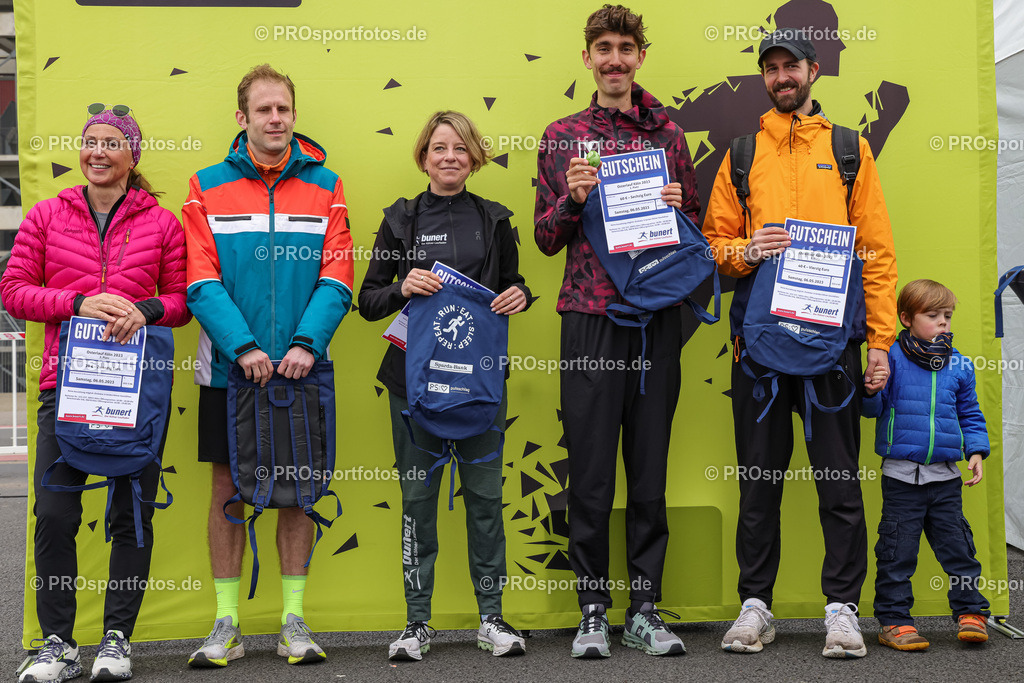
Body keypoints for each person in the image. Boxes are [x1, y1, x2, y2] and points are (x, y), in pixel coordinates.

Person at [703, 28, 897, 658]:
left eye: (792, 66)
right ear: (764, 77)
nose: (782, 76)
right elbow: (711, 246)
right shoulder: (739, 154)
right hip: (758, 350)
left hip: (832, 347)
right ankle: (755, 606)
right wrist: (744, 250)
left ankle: (841, 610)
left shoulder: (848, 150)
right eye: (772, 68)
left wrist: (877, 342)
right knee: (759, 483)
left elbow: (876, 252)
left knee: (839, 483)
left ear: (814, 71)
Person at [534, 4, 700, 658]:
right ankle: (594, 609)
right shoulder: (560, 135)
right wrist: (571, 200)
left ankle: (647, 608)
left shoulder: (671, 137)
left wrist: (677, 210)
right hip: (590, 320)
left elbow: (697, 242)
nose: (613, 59)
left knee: (651, 473)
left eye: (624, 48)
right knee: (593, 475)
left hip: (656, 321)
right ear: (587, 59)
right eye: (602, 47)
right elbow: (547, 240)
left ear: (639, 57)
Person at [2, 104, 190, 683]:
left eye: (113, 143)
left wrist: (148, 309)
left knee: (131, 517)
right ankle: (57, 643)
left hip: (135, 394)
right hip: (65, 388)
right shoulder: (45, 216)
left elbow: (184, 300)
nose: (99, 153)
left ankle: (116, 639)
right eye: (91, 142)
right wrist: (76, 302)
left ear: (134, 156)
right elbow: (13, 290)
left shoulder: (161, 223)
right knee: (55, 515)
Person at [182, 64, 353, 668]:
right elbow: (199, 283)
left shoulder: (328, 186)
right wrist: (245, 348)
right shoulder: (204, 187)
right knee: (228, 490)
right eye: (263, 110)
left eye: (283, 109)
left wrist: (306, 342)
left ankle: (293, 623)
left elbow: (338, 275)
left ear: (294, 115)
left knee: (295, 494)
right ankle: (226, 624)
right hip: (229, 372)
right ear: (242, 119)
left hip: (304, 367)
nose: (274, 119)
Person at [359, 110, 531, 661]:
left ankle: (492, 618)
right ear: (423, 156)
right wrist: (402, 286)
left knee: (485, 500)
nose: (450, 156)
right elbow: (368, 300)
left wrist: (519, 296)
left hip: (478, 383)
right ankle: (416, 623)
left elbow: (515, 285)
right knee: (417, 501)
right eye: (439, 147)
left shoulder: (495, 218)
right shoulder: (400, 220)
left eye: (460, 147)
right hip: (411, 385)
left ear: (474, 155)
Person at [863, 279, 990, 650]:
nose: (943, 323)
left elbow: (971, 413)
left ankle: (971, 612)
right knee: (897, 553)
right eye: (932, 316)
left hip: (947, 478)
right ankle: (894, 621)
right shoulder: (889, 358)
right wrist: (871, 389)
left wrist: (976, 452)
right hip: (902, 478)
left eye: (947, 316)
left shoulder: (960, 365)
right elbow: (871, 410)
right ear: (906, 318)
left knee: (959, 549)